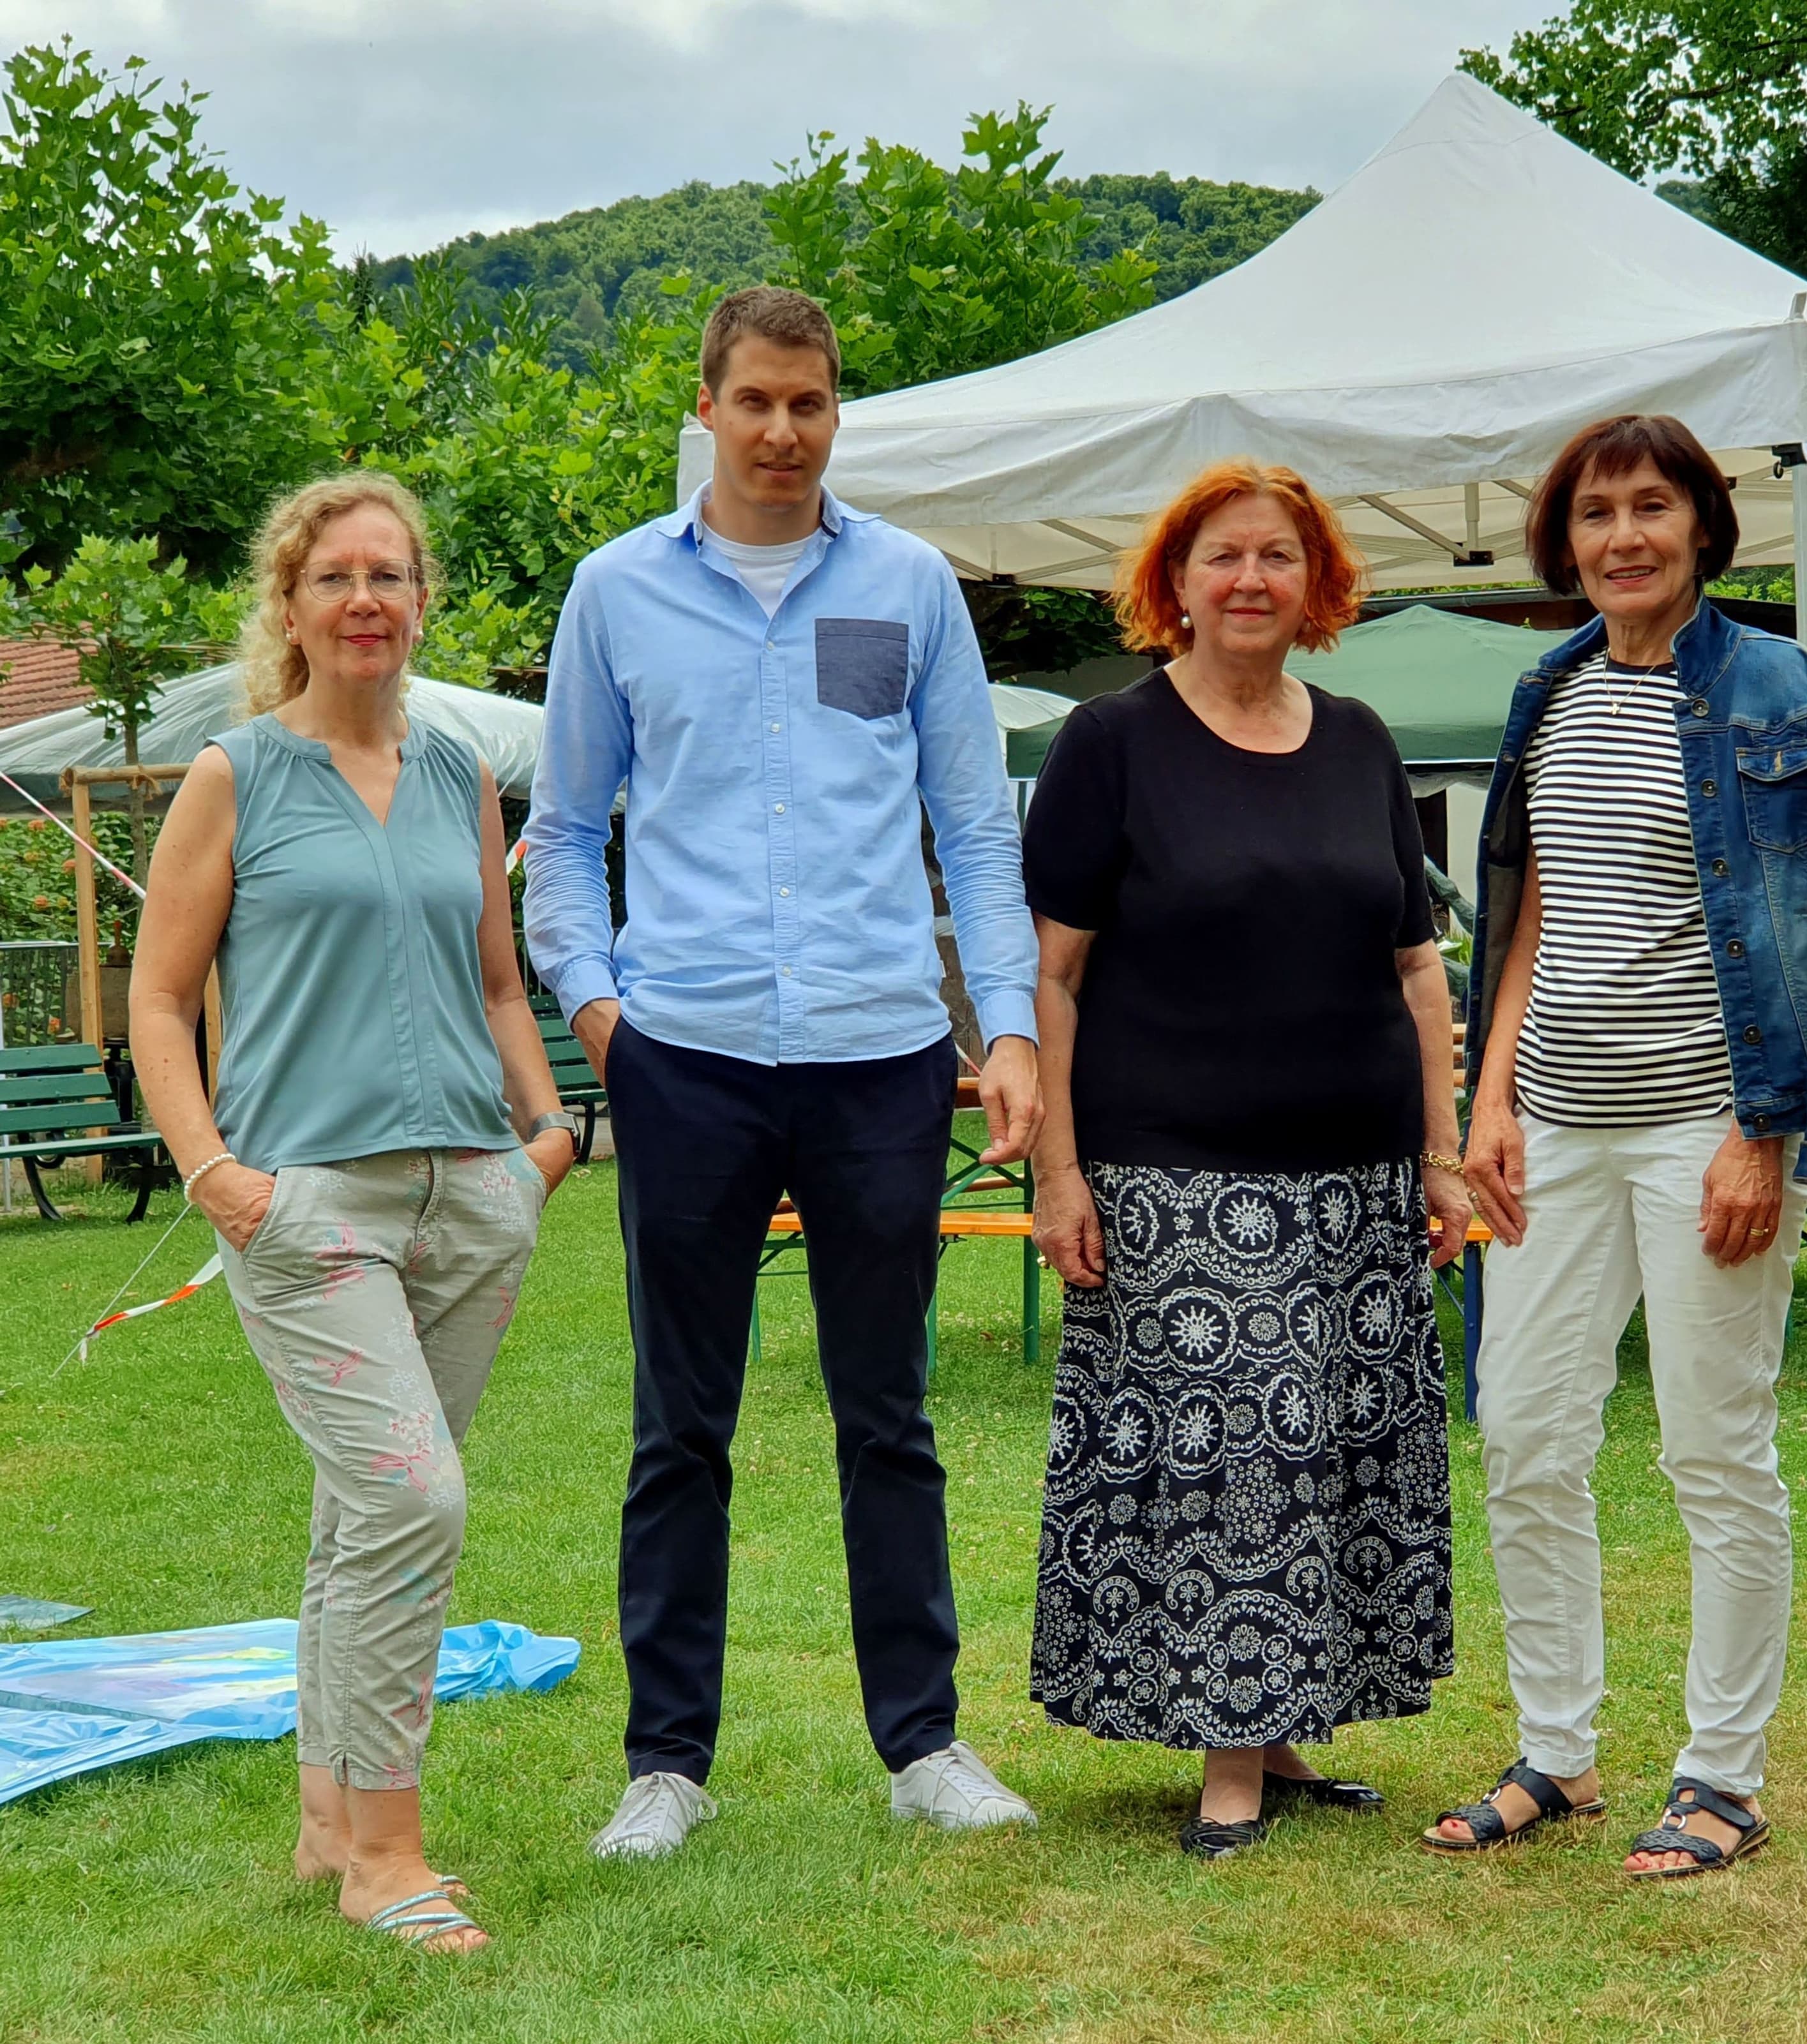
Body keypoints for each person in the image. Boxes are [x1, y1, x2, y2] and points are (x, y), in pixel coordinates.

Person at [524, 285, 1044, 1858]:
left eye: (808, 403)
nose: (781, 431)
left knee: (888, 1415)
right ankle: (665, 1765)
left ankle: (925, 1746)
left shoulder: (909, 586)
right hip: (684, 1057)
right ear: (707, 407)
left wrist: (1010, 1027)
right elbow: (564, 835)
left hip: (881, 1056)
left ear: (834, 412)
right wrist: (602, 1016)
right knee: (680, 1426)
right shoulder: (617, 593)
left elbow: (976, 830)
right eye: (753, 400)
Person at [129, 474, 578, 1955]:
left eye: (390, 574)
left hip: (474, 1193)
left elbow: (499, 981)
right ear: (292, 605)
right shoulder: (236, 775)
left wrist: (546, 1137)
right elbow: (158, 998)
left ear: (421, 600)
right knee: (409, 1500)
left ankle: (329, 1824)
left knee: (359, 1515)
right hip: (306, 1203)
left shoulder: (462, 776)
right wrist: (215, 1173)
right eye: (336, 578)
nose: (366, 599)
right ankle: (389, 1855)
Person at [1427, 414, 1807, 1879]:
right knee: (1524, 1433)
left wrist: (1761, 1131)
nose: (1624, 536)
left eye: (1651, 507)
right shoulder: (1547, 690)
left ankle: (1723, 1776)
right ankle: (1558, 1752)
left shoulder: (1777, 687)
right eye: (1596, 512)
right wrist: (1489, 1104)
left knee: (1713, 1450)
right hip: (1552, 1124)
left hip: (1702, 1131)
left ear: (1702, 528)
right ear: (1567, 539)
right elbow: (1527, 911)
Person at [1024, 459, 1467, 1860]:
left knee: (1328, 1455)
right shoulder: (1111, 740)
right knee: (1238, 1462)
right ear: (1175, 580)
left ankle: (1276, 1737)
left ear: (1316, 580)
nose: (1251, 579)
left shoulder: (1361, 741)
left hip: (1358, 1178)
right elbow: (1053, 978)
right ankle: (1227, 1761)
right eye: (1222, 555)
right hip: (1179, 1178)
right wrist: (1058, 1172)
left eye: (1279, 554)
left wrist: (1442, 1153)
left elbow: (1417, 967)